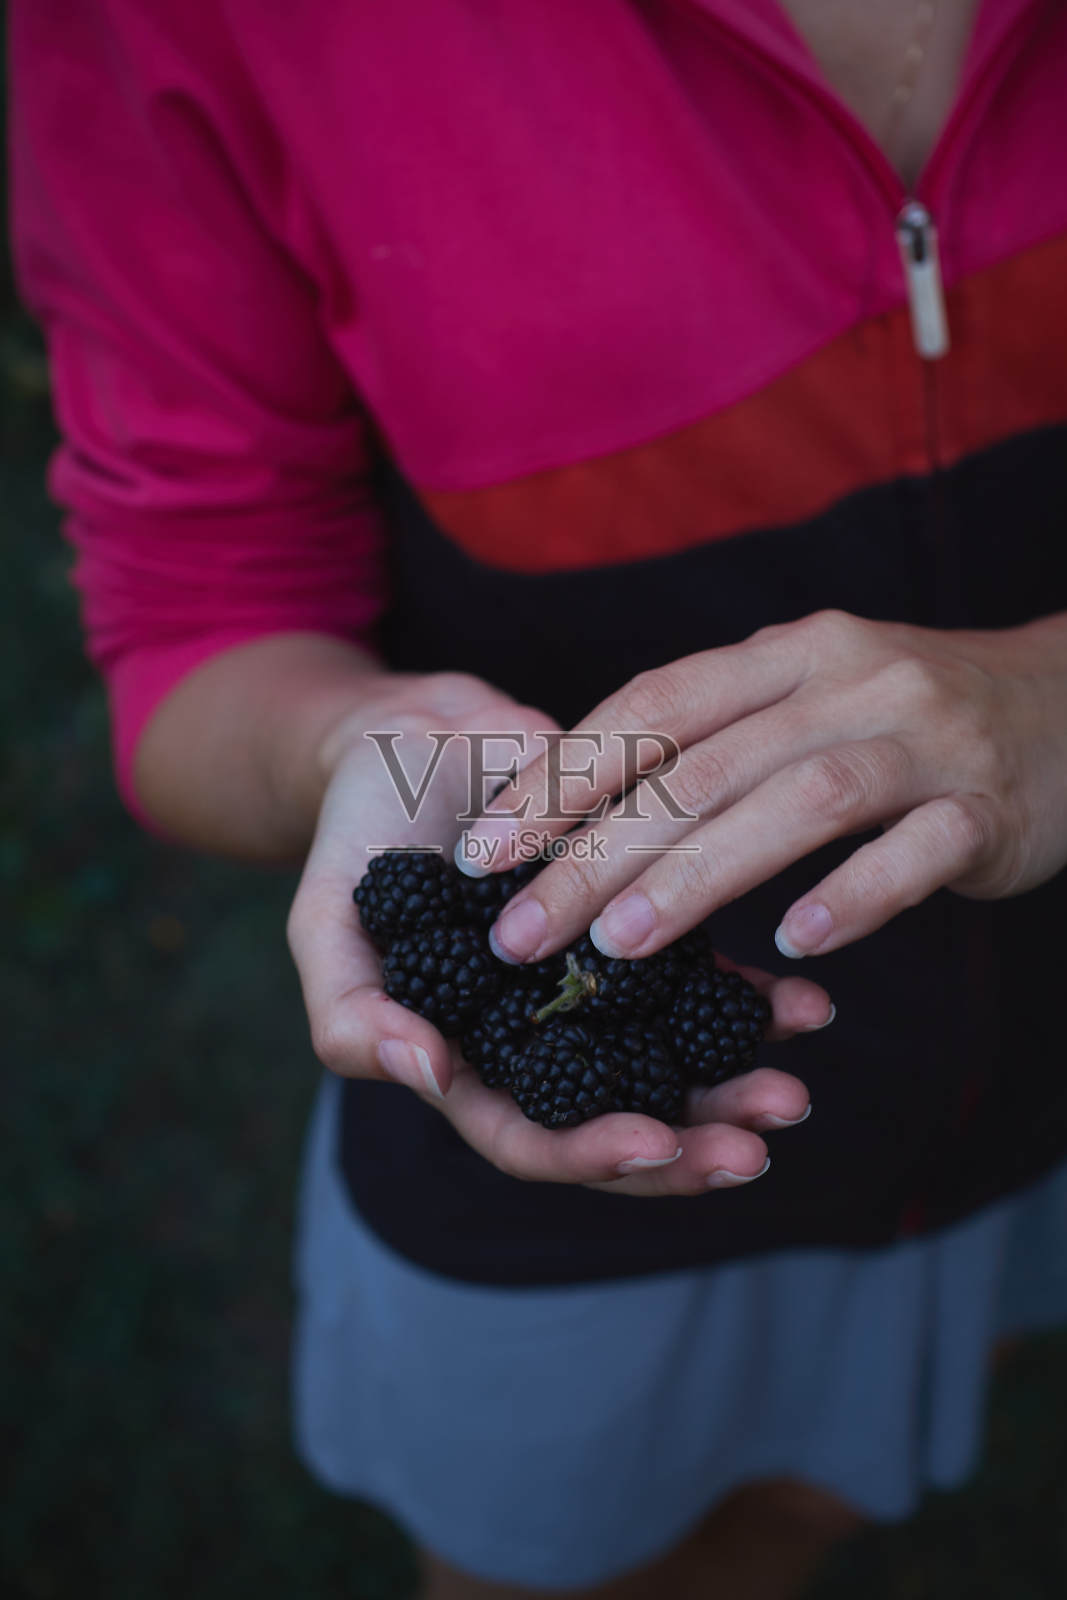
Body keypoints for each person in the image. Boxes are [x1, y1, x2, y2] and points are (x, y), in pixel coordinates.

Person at [11, 2, 1067, 1595]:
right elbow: (196, 622)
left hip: (1039, 1069)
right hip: (572, 1199)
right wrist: (348, 739)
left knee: (819, 1500)